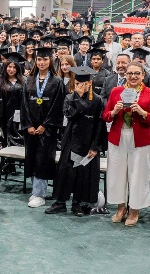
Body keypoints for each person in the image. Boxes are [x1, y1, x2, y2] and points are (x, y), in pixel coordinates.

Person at [102, 61, 150, 226]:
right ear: (125, 75)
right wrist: (114, 112)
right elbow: (106, 115)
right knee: (117, 174)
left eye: (137, 73)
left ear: (143, 75)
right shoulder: (116, 92)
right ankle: (121, 207)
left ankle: (135, 209)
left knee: (138, 175)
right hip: (117, 137)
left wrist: (142, 113)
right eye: (130, 73)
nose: (133, 76)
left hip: (141, 140)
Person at [45, 66, 104, 217]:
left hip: (88, 143)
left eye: (83, 84)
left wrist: (95, 146)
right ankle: (60, 202)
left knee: (82, 174)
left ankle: (77, 203)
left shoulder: (97, 100)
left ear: (90, 83)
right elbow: (69, 115)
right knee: (65, 171)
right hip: (70, 141)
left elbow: (100, 125)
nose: (80, 86)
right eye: (77, 83)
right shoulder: (69, 98)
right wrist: (77, 96)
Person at [20, 47, 66, 208]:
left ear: (50, 61)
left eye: (45, 59)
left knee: (43, 159)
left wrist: (45, 125)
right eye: (39, 59)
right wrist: (28, 125)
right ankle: (36, 190)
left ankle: (39, 194)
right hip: (31, 129)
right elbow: (24, 104)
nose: (41, 62)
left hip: (47, 129)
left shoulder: (57, 81)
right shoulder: (30, 79)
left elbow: (58, 106)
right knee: (32, 158)